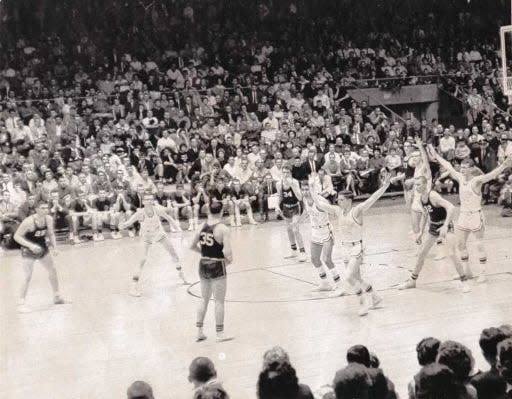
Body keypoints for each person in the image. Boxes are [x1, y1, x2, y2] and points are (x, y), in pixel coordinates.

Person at [310, 171, 392, 316]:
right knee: (357, 278)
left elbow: (373, 199)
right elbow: (318, 203)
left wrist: (384, 187)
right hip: (345, 248)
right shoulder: (337, 211)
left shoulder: (357, 211)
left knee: (348, 277)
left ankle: (363, 304)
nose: (338, 202)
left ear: (348, 200)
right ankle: (375, 297)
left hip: (357, 248)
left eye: (341, 200)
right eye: (338, 200)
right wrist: (311, 187)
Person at [430, 146, 512, 281]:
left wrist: (504, 165)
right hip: (463, 215)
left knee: (479, 244)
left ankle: (483, 273)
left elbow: (491, 175)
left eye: (465, 167)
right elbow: (449, 166)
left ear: (471, 168)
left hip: (475, 215)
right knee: (460, 245)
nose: (462, 169)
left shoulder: (477, 180)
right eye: (461, 167)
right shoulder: (460, 177)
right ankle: (467, 272)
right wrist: (437, 156)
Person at [397, 175, 470, 292]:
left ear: (425, 184)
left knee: (451, 253)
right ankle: (412, 281)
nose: (416, 187)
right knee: (421, 253)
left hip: (444, 225)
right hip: (434, 226)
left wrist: (446, 225)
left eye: (419, 184)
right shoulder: (421, 198)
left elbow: (451, 207)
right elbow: (426, 214)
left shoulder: (433, 195)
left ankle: (464, 281)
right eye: (415, 185)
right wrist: (421, 232)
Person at [119, 192, 189, 297]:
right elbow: (127, 224)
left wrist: (179, 230)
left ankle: (182, 277)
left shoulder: (157, 210)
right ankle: (133, 288)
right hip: (146, 237)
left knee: (174, 254)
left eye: (151, 199)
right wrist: (121, 225)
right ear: (143, 202)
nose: (149, 201)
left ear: (152, 201)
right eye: (146, 199)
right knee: (142, 260)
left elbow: (169, 218)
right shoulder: (140, 213)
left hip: (160, 234)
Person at [190, 201, 234, 342]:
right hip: (217, 264)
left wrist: (204, 253)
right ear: (221, 212)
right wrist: (224, 262)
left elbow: (192, 246)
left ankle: (199, 331)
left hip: (203, 263)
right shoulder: (223, 229)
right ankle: (220, 333)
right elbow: (229, 255)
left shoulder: (201, 226)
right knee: (219, 301)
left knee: (204, 299)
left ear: (209, 211)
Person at [13, 201, 67, 312]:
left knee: (53, 270)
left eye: (46, 208)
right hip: (28, 250)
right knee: (27, 276)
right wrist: (31, 246)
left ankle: (56, 297)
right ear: (36, 209)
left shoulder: (49, 219)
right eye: (42, 208)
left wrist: (55, 248)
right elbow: (16, 236)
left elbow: (51, 234)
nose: (45, 210)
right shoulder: (28, 222)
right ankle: (21, 303)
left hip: (42, 248)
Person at [300, 180, 342, 293]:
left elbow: (332, 211)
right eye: (303, 189)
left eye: (307, 189)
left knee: (327, 259)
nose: (305, 192)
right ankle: (325, 283)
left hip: (326, 231)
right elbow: (307, 211)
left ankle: (339, 284)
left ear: (312, 189)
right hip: (315, 232)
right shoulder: (304, 199)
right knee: (314, 259)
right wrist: (299, 221)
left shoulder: (320, 201)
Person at [277, 165, 307, 262]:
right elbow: (280, 197)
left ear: (290, 173)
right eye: (284, 172)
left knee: (295, 229)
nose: (285, 174)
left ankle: (302, 252)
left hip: (295, 206)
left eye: (287, 172)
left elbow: (300, 197)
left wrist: (293, 186)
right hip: (286, 207)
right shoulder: (279, 183)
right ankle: (293, 250)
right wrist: (277, 206)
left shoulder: (294, 182)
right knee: (289, 230)